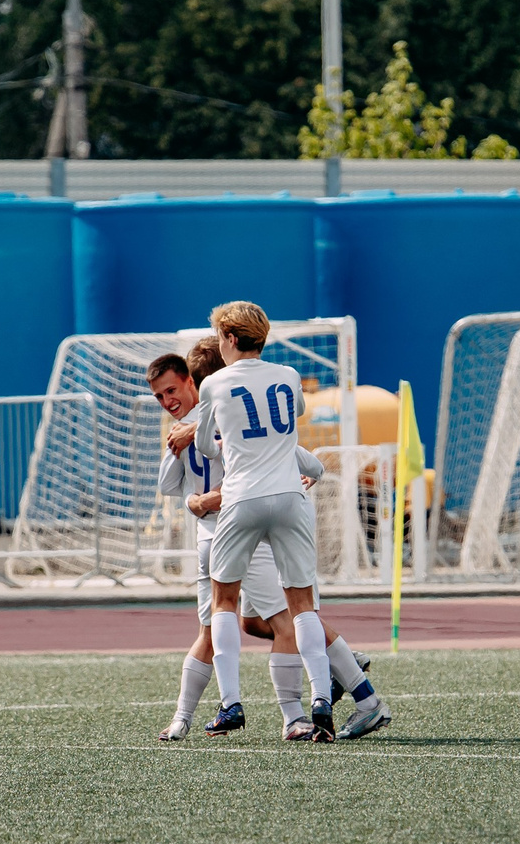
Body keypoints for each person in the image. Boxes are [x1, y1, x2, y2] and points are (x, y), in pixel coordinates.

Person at [151, 341, 387, 740]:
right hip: (222, 533)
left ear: (199, 382)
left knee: (285, 618)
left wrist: (206, 496)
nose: (167, 400)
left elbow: (274, 470)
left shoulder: (224, 417)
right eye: (160, 395)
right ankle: (187, 716)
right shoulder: (195, 427)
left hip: (245, 529)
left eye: (173, 390)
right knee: (249, 622)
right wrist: (195, 493)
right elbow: (170, 484)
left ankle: (326, 702)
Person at [194, 301, 343, 740]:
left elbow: (205, 446)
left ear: (231, 338)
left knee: (223, 601)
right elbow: (291, 417)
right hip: (290, 497)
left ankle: (231, 703)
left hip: (242, 499)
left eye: (220, 337)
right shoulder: (289, 376)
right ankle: (320, 697)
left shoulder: (215, 383)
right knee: (302, 605)